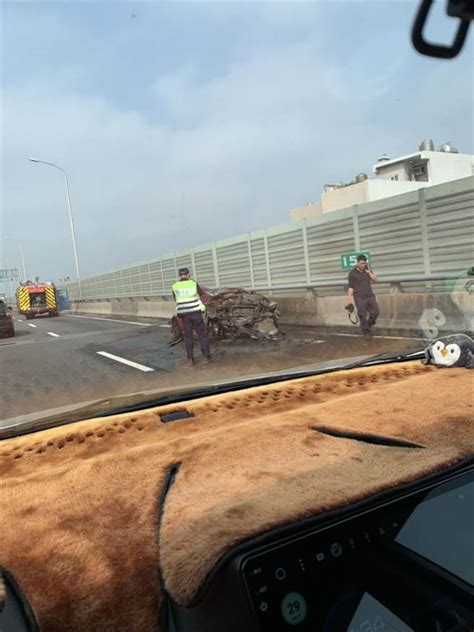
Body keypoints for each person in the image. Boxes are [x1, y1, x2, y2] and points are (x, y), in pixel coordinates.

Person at [172, 268, 211, 366]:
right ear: (188, 274)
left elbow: (176, 299)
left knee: (188, 337)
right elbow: (202, 295)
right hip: (196, 313)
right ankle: (207, 357)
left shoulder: (175, 286)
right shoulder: (193, 283)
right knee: (202, 335)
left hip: (185, 316)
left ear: (179, 275)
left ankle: (190, 360)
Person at [346, 255, 379, 337]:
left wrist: (369, 273)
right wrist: (349, 300)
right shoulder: (352, 273)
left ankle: (368, 326)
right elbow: (351, 287)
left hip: (370, 296)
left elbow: (375, 280)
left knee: (375, 313)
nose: (363, 265)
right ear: (357, 263)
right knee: (362, 315)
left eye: (364, 263)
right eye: (361, 263)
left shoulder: (367, 270)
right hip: (359, 298)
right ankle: (366, 331)